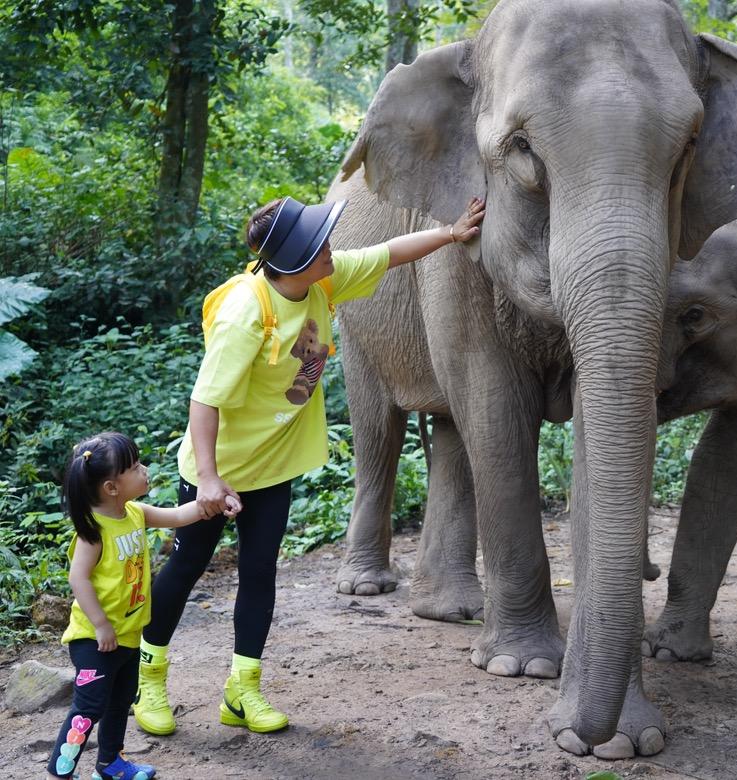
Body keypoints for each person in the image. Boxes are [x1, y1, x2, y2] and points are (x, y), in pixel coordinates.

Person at [133, 194, 486, 736]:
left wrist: (452, 231)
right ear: (294, 259)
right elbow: (204, 402)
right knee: (185, 569)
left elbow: (389, 252)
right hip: (218, 469)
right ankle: (148, 677)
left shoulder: (322, 281)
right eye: (323, 243)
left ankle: (242, 690)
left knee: (258, 573)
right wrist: (206, 478)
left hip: (273, 468)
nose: (333, 247)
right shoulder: (246, 313)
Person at [46, 432, 237, 780]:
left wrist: (214, 501)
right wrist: (101, 624)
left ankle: (110, 764)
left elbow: (180, 515)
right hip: (95, 639)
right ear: (111, 487)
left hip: (130, 634)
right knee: (88, 708)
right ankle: (61, 772)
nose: (144, 469)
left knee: (121, 703)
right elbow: (79, 580)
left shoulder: (135, 513)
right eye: (135, 467)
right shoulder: (93, 531)